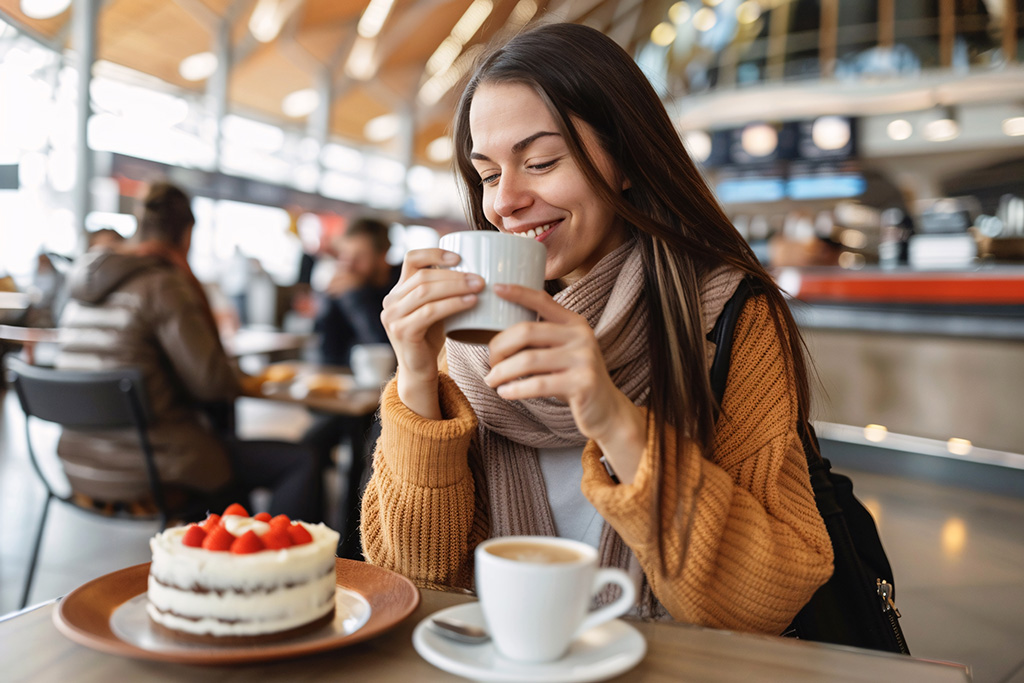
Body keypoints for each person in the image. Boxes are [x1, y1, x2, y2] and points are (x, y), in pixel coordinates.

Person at [360, 23, 834, 635]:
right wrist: (418, 380)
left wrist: (612, 416)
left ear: (627, 159)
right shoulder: (467, 339)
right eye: (488, 174)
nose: (505, 201)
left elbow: (766, 600)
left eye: (540, 162)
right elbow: (414, 577)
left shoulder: (727, 316)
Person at [56, 182, 319, 520]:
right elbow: (214, 384)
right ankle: (283, 566)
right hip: (153, 468)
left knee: (228, 467)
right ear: (187, 234)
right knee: (300, 460)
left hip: (81, 465)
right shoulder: (164, 284)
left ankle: (235, 553)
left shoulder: (80, 295)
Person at [313, 217, 400, 366]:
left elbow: (385, 354)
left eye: (360, 256)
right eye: (345, 255)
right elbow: (327, 354)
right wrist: (328, 301)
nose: (348, 266)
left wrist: (357, 296)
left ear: (383, 256)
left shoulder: (404, 286)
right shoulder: (344, 289)